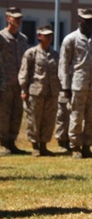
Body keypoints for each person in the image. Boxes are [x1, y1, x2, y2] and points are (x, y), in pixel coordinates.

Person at [59, 9, 92, 159]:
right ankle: (76, 147)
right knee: (76, 117)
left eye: (90, 20)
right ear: (79, 20)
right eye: (85, 20)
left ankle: (87, 146)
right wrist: (65, 87)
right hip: (78, 85)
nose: (88, 23)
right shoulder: (70, 39)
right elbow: (64, 64)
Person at [18, 25, 60, 156]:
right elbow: (24, 72)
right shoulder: (31, 53)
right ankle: (35, 146)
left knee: (48, 120)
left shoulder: (55, 54)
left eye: (50, 35)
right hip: (35, 92)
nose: (49, 38)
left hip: (51, 92)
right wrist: (24, 90)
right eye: (46, 35)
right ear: (39, 37)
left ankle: (44, 145)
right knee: (34, 120)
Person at [0, 6, 30, 155]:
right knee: (3, 114)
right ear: (8, 18)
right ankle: (3, 144)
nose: (18, 20)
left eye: (19, 17)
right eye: (15, 17)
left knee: (17, 114)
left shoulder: (23, 39)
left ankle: (12, 143)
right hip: (5, 83)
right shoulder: (1, 37)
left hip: (19, 84)